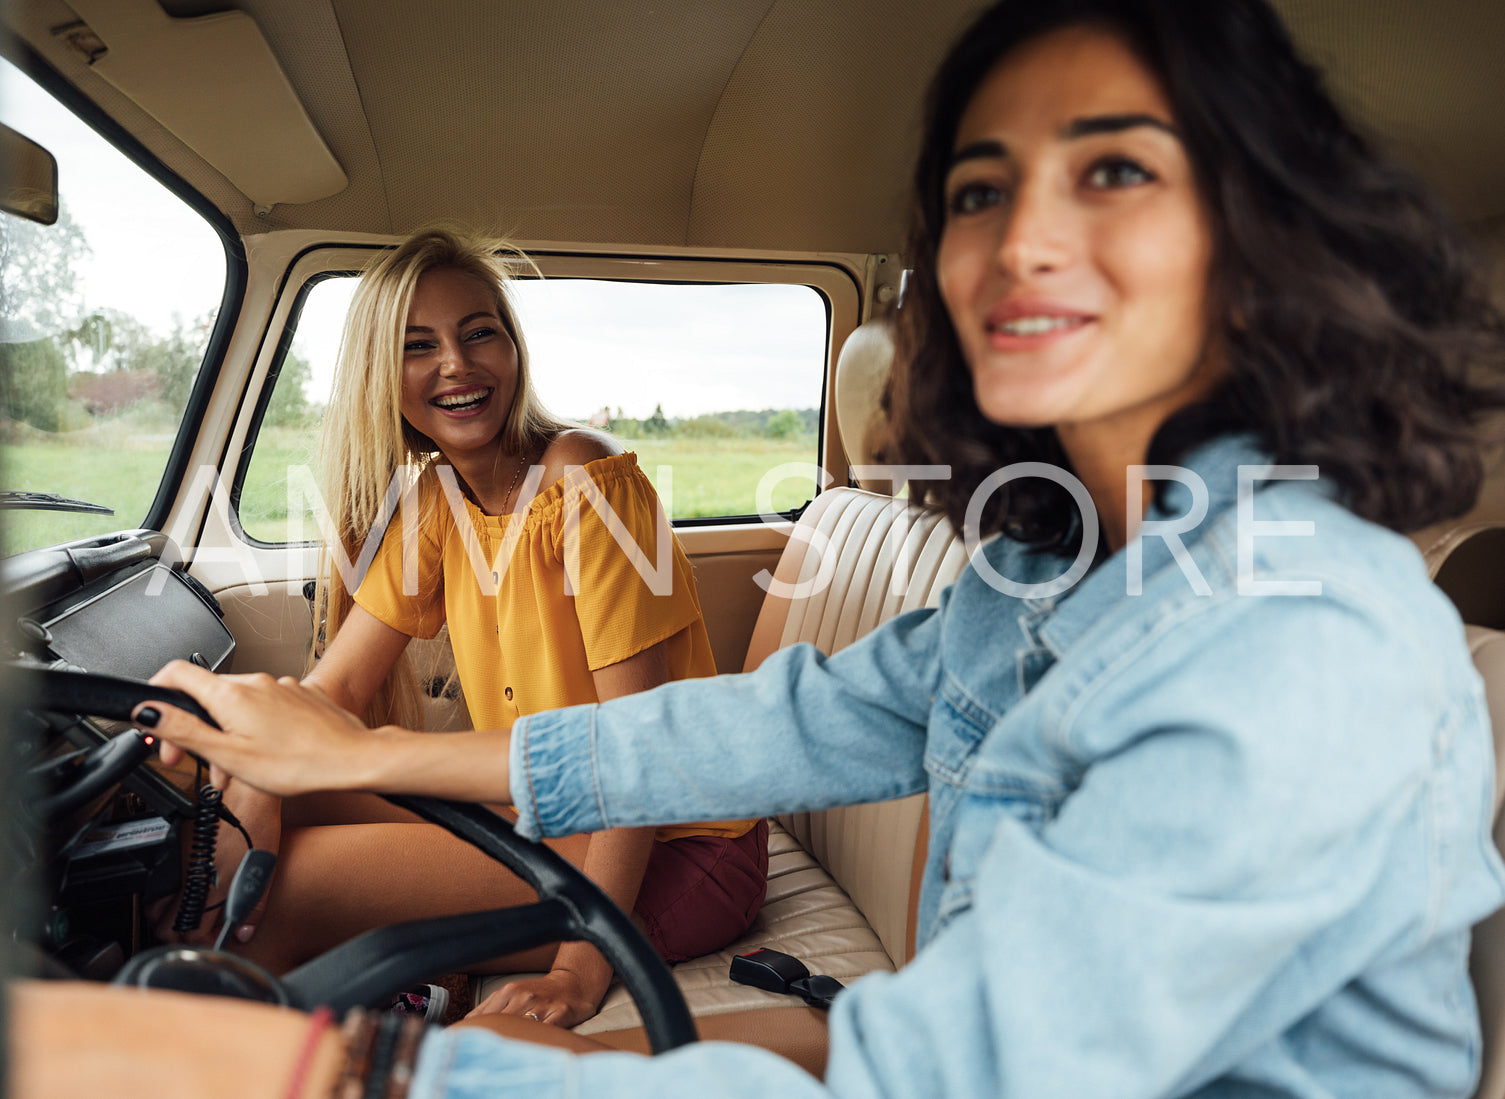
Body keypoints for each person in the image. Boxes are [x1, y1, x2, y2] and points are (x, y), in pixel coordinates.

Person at [14, 0, 1505, 1094]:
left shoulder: (1297, 634)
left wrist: (333, 1071)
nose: (1020, 236)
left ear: (1262, 241)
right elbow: (781, 718)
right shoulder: (1036, 566)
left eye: (1112, 170)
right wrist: (341, 757)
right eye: (979, 190)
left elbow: (948, 1077)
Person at [175, 228, 766, 1027]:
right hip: (543, 814)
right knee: (236, 816)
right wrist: (260, 778)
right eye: (419, 345)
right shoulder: (436, 502)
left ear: (512, 346)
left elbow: (639, 751)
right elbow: (338, 689)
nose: (455, 363)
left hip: (675, 849)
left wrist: (581, 969)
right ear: (385, 376)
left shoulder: (584, 480)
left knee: (295, 886)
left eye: (478, 331)